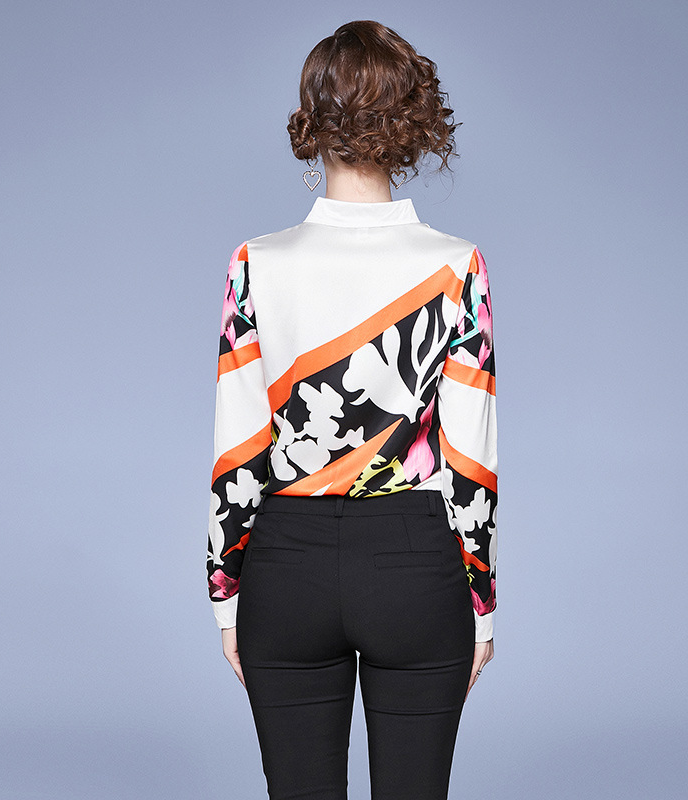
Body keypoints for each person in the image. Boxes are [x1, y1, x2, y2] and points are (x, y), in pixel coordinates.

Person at [207, 20, 498, 800]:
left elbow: (238, 445)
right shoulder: (456, 266)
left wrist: (226, 594)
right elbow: (470, 457)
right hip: (415, 564)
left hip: (286, 566)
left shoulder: (254, 263)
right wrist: (481, 604)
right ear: (414, 122)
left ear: (313, 119)